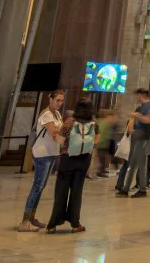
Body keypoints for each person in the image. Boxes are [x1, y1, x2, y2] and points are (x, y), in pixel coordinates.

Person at [47, 99, 96, 233]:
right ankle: (75, 224)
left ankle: (53, 224)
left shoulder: (69, 122)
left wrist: (57, 134)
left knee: (61, 191)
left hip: (68, 159)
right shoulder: (93, 123)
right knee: (77, 192)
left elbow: (59, 141)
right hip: (84, 160)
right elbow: (95, 141)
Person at [18, 90, 64, 231]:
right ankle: (25, 221)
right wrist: (67, 143)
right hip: (42, 153)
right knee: (37, 186)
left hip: (51, 153)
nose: (59, 103)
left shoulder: (57, 114)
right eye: (57, 100)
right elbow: (53, 133)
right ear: (50, 99)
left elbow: (60, 131)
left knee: (41, 186)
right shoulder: (46, 114)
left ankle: (32, 217)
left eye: (61, 101)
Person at [118, 89, 150, 197]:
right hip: (140, 136)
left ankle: (141, 189)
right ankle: (127, 188)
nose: (137, 98)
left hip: (142, 136)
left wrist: (137, 116)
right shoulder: (145, 106)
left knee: (139, 164)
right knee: (135, 164)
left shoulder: (148, 106)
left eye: (137, 96)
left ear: (141, 95)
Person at [92, 107, 117, 179]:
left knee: (102, 158)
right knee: (101, 158)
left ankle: (101, 171)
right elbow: (101, 132)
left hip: (103, 143)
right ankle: (100, 172)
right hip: (101, 143)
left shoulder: (102, 121)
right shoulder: (103, 122)